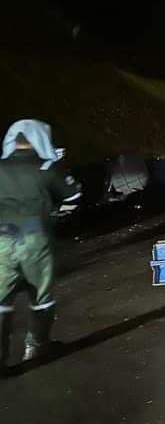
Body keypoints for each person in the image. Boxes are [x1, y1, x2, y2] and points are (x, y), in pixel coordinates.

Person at [0, 119, 81, 370]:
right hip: (35, 238)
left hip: (2, 240)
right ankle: (36, 347)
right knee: (40, 295)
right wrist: (56, 214)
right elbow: (73, 197)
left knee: (1, 298)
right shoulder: (47, 167)